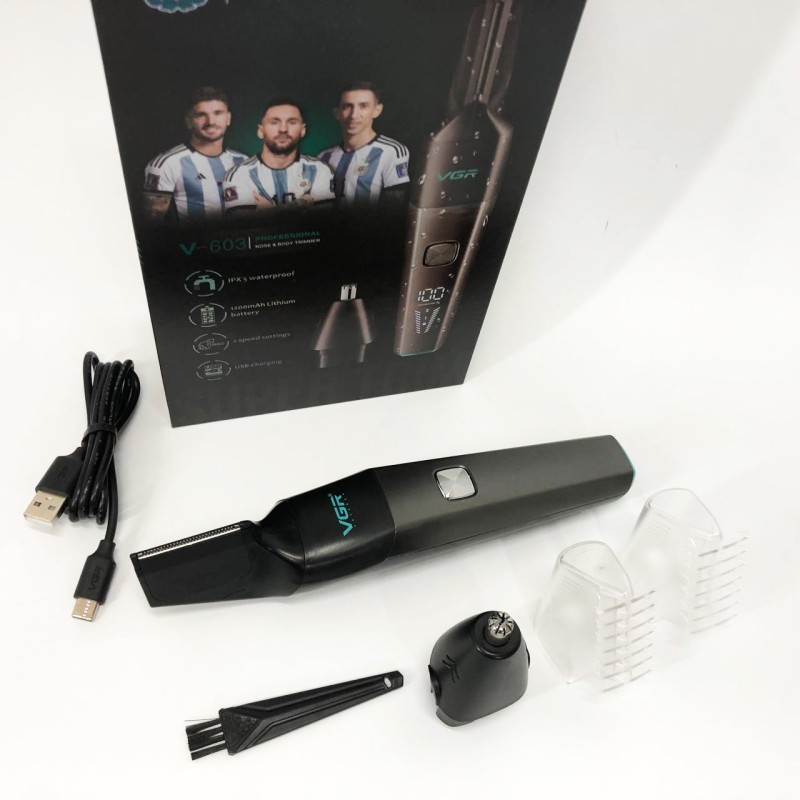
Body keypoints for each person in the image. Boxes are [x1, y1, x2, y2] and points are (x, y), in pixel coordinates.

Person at [143, 87, 246, 222]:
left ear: (228, 118)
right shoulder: (166, 164)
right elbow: (153, 222)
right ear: (188, 121)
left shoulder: (243, 161)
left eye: (218, 113)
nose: (211, 122)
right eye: (201, 115)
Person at [222, 98, 334, 215]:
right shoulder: (239, 175)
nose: (283, 129)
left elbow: (323, 222)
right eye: (274, 122)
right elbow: (244, 224)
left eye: (292, 122)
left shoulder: (320, 170)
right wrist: (302, 203)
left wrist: (269, 211)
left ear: (303, 130)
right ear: (260, 131)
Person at [318, 82, 410, 204]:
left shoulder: (391, 151)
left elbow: (395, 208)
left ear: (377, 110)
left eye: (363, 106)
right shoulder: (324, 157)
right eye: (347, 107)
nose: (354, 115)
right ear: (337, 113)